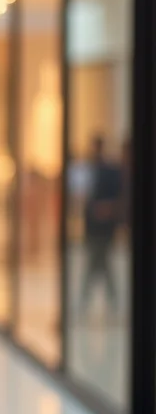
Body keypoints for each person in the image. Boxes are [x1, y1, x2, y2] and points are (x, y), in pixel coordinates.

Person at [80, 135, 122, 315]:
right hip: (92, 226)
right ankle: (102, 299)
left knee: (98, 263)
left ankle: (87, 299)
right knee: (99, 264)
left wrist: (107, 209)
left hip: (104, 226)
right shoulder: (88, 170)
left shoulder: (110, 171)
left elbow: (117, 197)